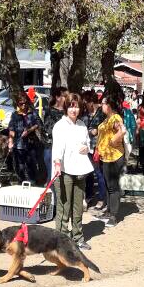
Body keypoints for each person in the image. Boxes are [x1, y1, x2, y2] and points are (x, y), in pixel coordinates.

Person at [52, 93, 93, 250]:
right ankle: (61, 240)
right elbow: (57, 148)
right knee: (64, 207)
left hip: (80, 170)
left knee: (77, 207)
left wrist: (87, 148)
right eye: (71, 106)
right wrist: (57, 165)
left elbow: (88, 144)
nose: (73, 109)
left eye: (76, 106)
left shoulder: (82, 125)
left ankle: (78, 237)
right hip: (64, 171)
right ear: (66, 108)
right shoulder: (60, 126)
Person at [96, 94, 126, 227]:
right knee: (109, 185)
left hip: (114, 157)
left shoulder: (115, 118)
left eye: (103, 103)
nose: (101, 105)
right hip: (106, 157)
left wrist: (113, 142)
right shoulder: (107, 119)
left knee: (113, 186)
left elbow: (122, 130)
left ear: (109, 105)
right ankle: (108, 211)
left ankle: (114, 215)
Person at [7, 92, 44, 183]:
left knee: (31, 165)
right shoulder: (15, 114)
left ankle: (32, 182)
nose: (23, 105)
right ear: (17, 104)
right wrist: (10, 142)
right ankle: (21, 182)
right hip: (18, 145)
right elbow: (11, 129)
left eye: (25, 103)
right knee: (20, 166)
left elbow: (39, 124)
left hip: (30, 143)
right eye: (21, 103)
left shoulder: (33, 113)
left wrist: (29, 130)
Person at [83, 90, 107, 209]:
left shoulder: (101, 114)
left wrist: (97, 131)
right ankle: (89, 196)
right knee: (88, 173)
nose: (85, 105)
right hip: (87, 147)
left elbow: (104, 129)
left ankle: (102, 198)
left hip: (98, 148)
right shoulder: (84, 115)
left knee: (99, 173)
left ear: (91, 102)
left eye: (86, 103)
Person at [43, 86, 67, 181]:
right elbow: (49, 129)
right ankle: (52, 194)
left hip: (66, 148)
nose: (67, 98)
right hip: (51, 147)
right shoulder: (49, 111)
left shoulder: (68, 112)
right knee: (52, 176)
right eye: (65, 96)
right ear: (57, 97)